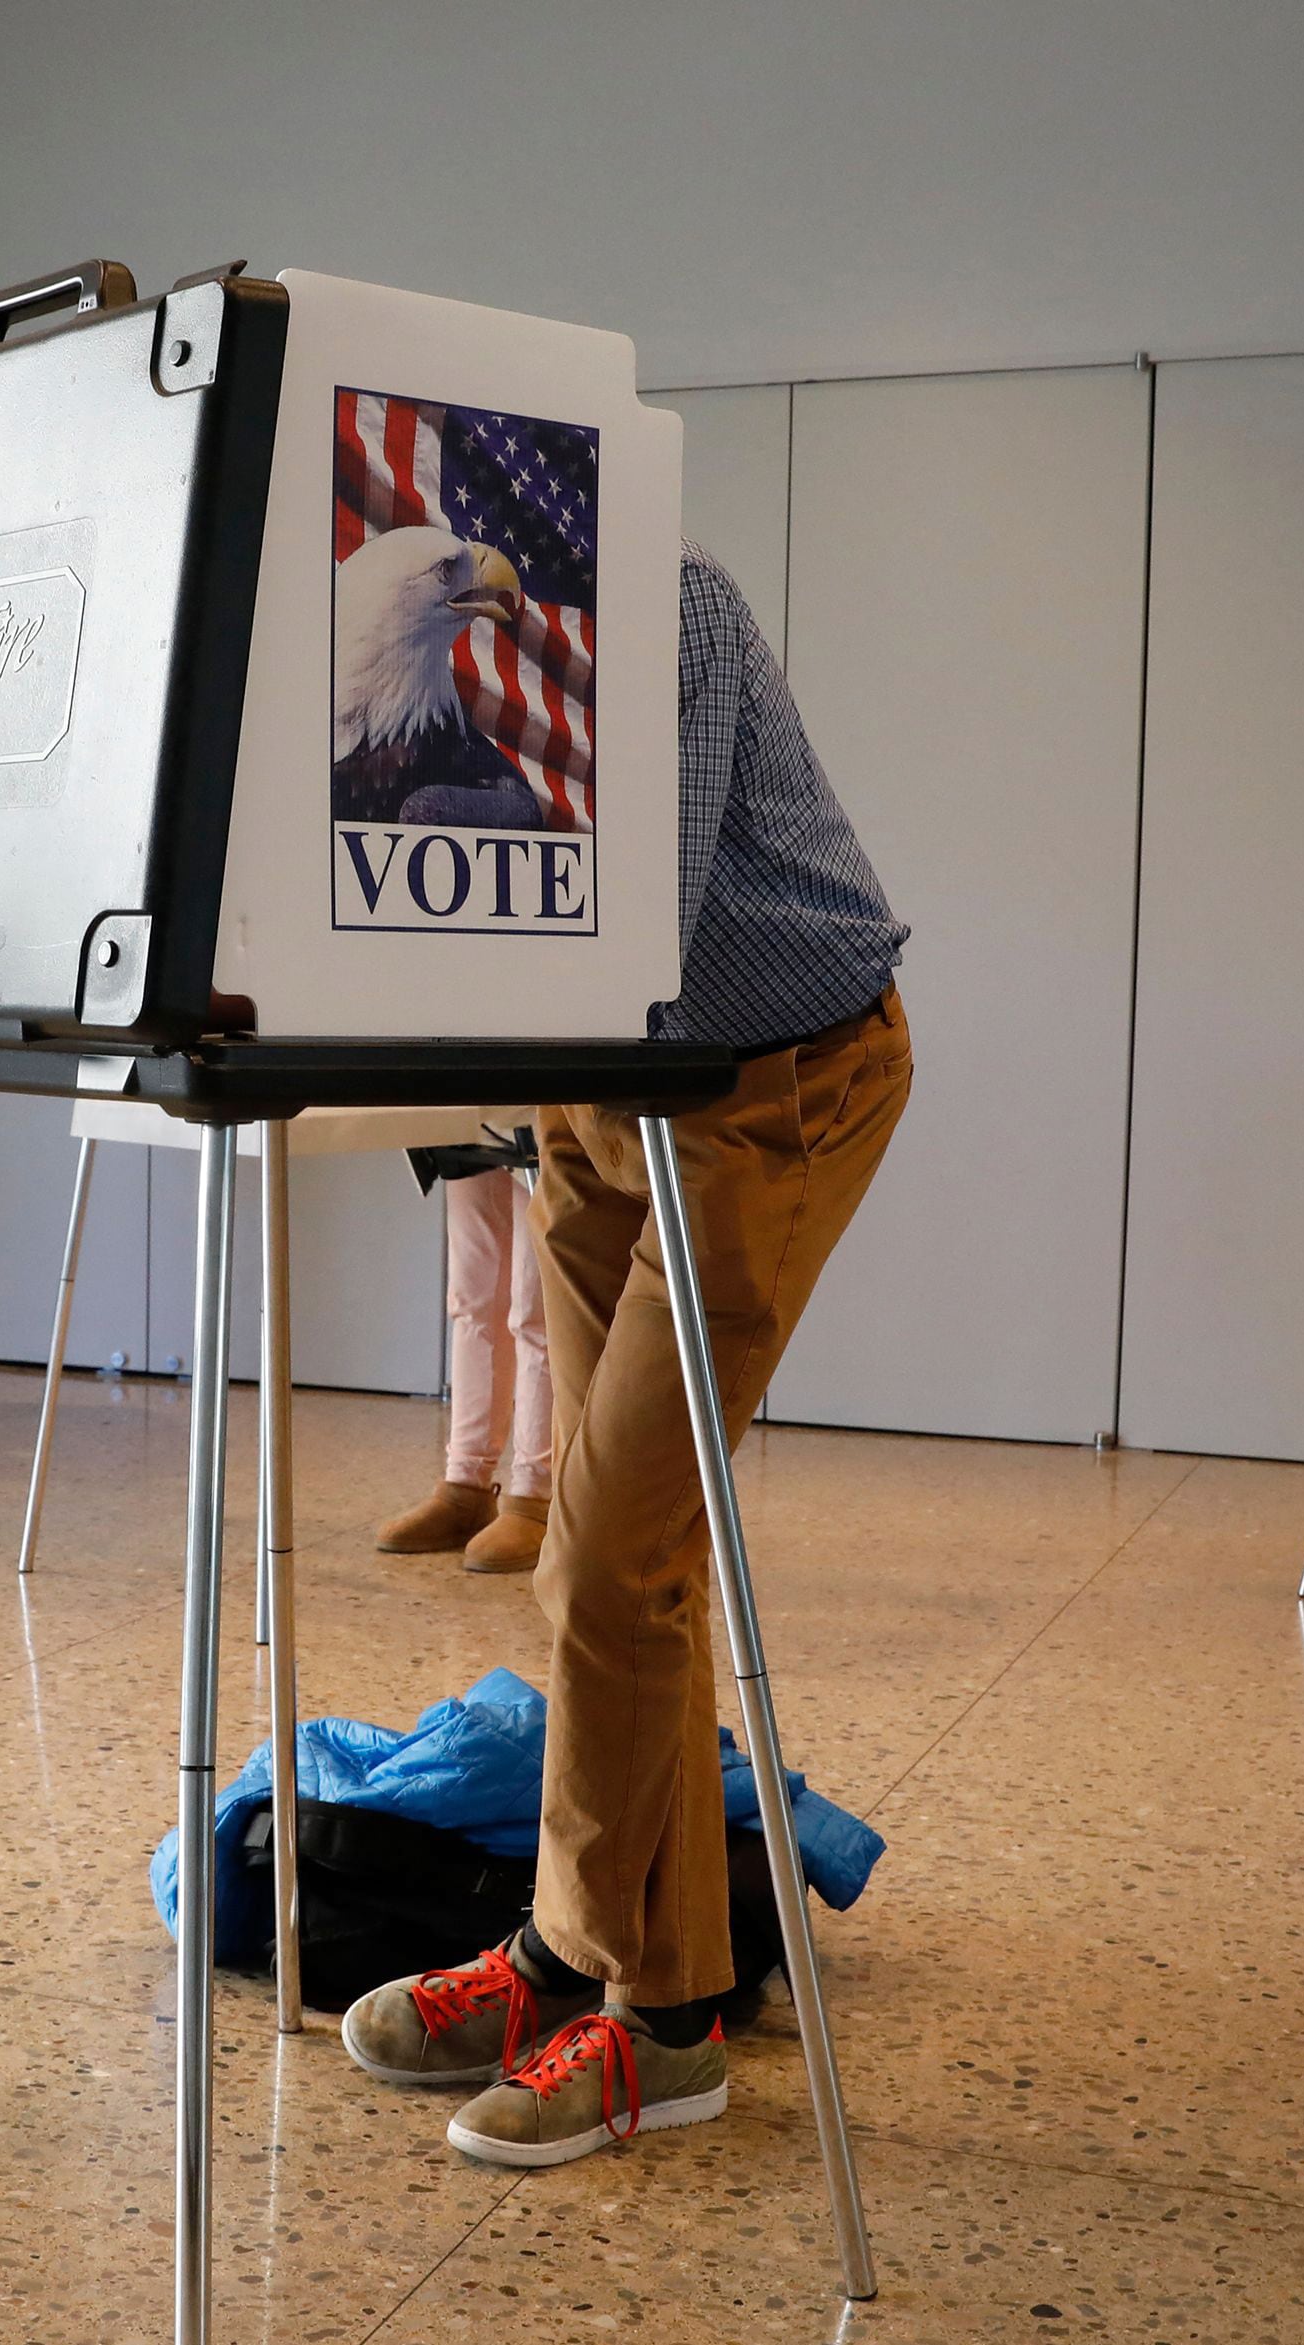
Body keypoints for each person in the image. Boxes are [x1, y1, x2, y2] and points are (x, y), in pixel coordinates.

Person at [342, 543, 911, 2168]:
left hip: (765, 1082)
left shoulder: (664, 603)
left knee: (606, 1554)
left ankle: (661, 2030)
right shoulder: (398, 636)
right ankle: (570, 1953)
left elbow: (615, 912)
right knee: (626, 1569)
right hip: (594, 1092)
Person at [371, 1134, 551, 1573]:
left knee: (537, 1308)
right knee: (474, 1301)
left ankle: (536, 1497)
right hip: (472, 1092)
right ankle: (465, 1487)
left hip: (549, 1092)